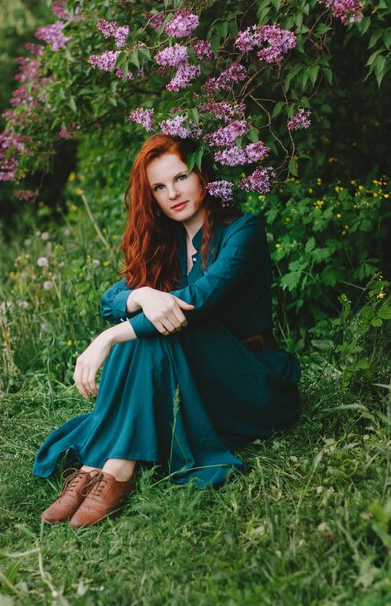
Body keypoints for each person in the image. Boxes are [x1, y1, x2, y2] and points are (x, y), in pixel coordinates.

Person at [33, 133, 301, 528]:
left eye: (180, 178)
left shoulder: (244, 231)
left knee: (149, 330)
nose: (172, 193)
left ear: (202, 173)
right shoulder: (167, 242)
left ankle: (115, 468)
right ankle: (97, 468)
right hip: (200, 380)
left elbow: (198, 303)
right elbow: (111, 299)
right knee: (147, 328)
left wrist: (108, 337)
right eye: (159, 187)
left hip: (249, 380)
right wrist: (142, 293)